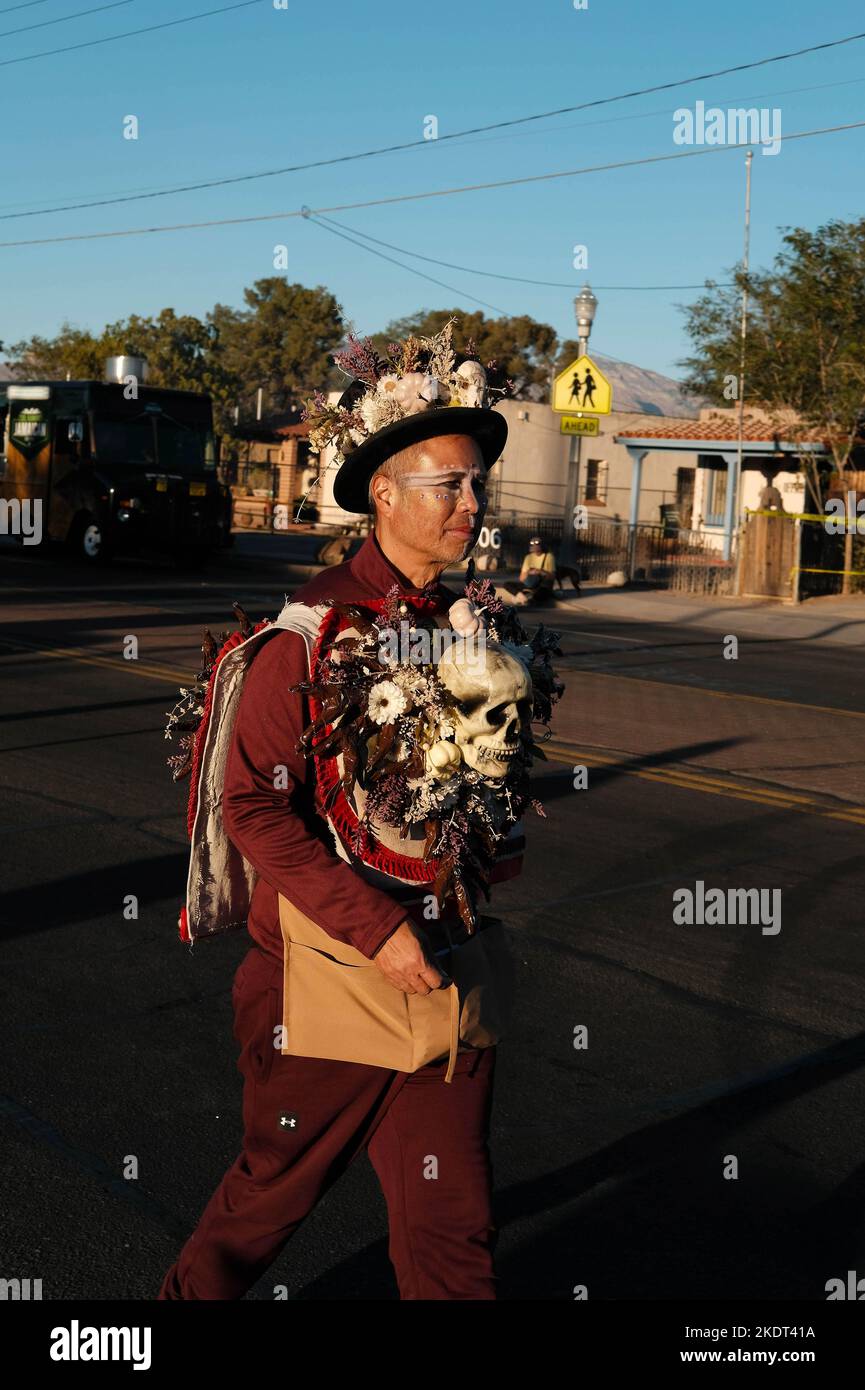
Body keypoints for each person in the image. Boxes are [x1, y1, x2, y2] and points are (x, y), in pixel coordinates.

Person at [157, 330, 517, 1301]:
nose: (471, 506)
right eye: (449, 484)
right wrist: (376, 927)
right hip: (321, 987)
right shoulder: (306, 637)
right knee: (264, 1207)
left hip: (440, 968)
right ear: (385, 494)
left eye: (478, 485)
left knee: (454, 1228)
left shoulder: (462, 628)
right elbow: (249, 808)